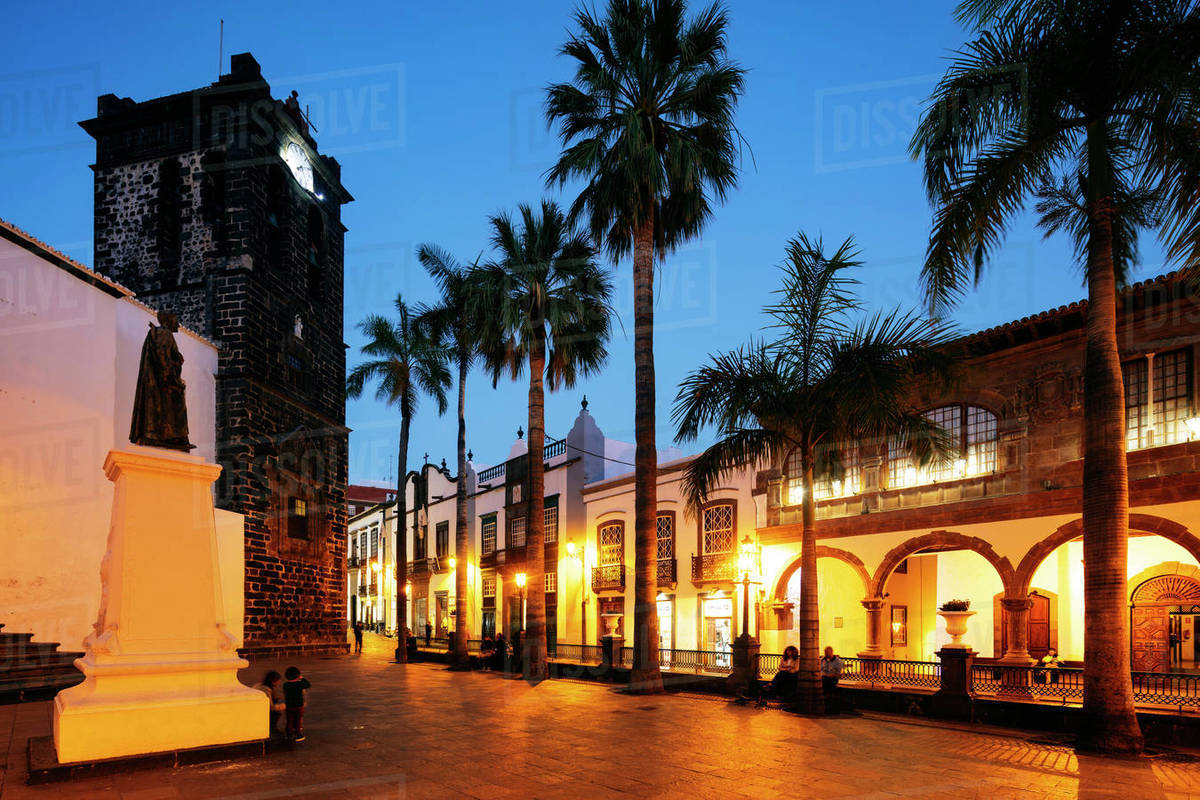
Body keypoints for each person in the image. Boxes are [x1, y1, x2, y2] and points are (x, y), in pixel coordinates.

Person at [282, 666, 311, 742]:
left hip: (289, 706)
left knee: (289, 720)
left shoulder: (285, 685)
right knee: (298, 720)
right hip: (298, 706)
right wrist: (302, 678)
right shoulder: (299, 684)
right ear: (298, 676)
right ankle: (298, 734)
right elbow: (308, 685)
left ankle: (289, 734)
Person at [253, 670, 285, 735]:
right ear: (273, 681)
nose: (279, 682)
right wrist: (283, 706)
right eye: (278, 681)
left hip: (255, 706)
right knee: (277, 712)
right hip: (260, 709)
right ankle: (271, 729)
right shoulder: (266, 690)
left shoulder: (259, 685)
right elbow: (271, 707)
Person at [820, 645, 844, 713]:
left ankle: (829, 706)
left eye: (827, 652)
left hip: (832, 679)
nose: (826, 654)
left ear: (831, 652)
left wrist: (830, 675)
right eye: (825, 652)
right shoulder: (822, 660)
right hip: (823, 678)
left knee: (827, 684)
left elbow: (839, 674)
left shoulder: (838, 661)